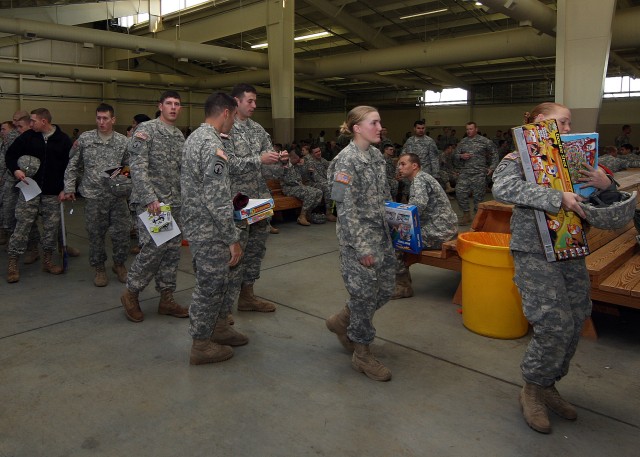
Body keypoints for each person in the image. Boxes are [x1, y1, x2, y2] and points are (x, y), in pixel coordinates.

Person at [492, 102, 614, 434]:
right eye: (564, 122)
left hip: (571, 247)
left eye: (571, 123)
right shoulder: (521, 158)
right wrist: (557, 197)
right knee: (552, 324)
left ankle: (548, 384)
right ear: (540, 122)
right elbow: (502, 188)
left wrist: (603, 186)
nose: (570, 129)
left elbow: (601, 206)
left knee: (575, 318)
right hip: (534, 250)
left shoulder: (572, 160)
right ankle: (532, 389)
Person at [325, 106, 395, 382]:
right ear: (357, 128)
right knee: (365, 296)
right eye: (374, 123)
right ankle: (362, 354)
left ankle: (341, 320)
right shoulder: (346, 161)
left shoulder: (376, 156)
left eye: (379, 122)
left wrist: (397, 221)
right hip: (358, 241)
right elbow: (345, 208)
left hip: (382, 236)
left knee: (386, 288)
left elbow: (384, 194)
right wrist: (361, 247)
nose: (380, 127)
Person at [182, 92, 248, 365]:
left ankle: (218, 329)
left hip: (200, 224)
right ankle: (200, 344)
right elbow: (216, 197)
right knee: (209, 286)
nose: (233, 122)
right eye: (233, 116)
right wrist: (232, 238)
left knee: (217, 283)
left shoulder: (194, 138)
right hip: (209, 229)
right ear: (225, 113)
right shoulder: (212, 145)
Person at [120, 90, 189, 322]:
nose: (173, 107)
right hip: (154, 204)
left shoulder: (179, 135)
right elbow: (137, 167)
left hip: (174, 202)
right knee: (153, 249)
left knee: (171, 251)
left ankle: (166, 298)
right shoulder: (146, 130)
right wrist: (150, 198)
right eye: (168, 103)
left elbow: (182, 171)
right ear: (160, 106)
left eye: (177, 104)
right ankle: (131, 292)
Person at [225, 83, 288, 316]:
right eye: (249, 101)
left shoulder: (259, 130)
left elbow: (268, 170)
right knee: (236, 251)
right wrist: (258, 159)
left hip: (259, 200)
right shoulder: (226, 129)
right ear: (236, 102)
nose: (254, 105)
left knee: (256, 250)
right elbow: (227, 164)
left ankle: (247, 295)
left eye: (255, 101)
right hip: (238, 200)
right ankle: (226, 306)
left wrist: (280, 161)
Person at [61, 103, 130, 287]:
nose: (101, 122)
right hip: (93, 196)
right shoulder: (85, 139)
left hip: (117, 196)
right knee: (95, 234)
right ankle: (99, 268)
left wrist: (112, 174)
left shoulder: (123, 141)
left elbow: (130, 168)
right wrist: (69, 188)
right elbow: (73, 164)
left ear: (113, 119)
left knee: (121, 234)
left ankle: (119, 264)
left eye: (105, 118)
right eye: (98, 118)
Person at [5, 108, 72, 283]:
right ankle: (13, 262)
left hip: (52, 193)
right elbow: (10, 155)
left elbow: (70, 167)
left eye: (33, 121)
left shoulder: (63, 140)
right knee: (22, 226)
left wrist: (66, 188)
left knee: (50, 229)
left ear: (44, 121)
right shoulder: (28, 137)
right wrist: (16, 170)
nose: (30, 123)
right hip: (30, 189)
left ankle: (47, 261)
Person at [391, 153, 458, 299]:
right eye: (398, 165)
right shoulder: (423, 177)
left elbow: (417, 206)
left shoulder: (419, 180)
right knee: (399, 235)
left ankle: (403, 287)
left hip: (440, 231)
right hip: (443, 227)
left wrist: (398, 222)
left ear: (414, 166)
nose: (399, 168)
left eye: (403, 164)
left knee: (396, 242)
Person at [454, 121, 499, 225]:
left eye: (471, 129)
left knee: (478, 197)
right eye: (467, 129)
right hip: (465, 172)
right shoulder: (463, 142)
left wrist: (492, 168)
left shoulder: (485, 141)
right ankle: (466, 214)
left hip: (479, 173)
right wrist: (461, 156)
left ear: (476, 129)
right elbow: (455, 155)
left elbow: (495, 153)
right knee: (459, 192)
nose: (469, 131)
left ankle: (478, 217)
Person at [280, 152, 322, 226]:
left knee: (319, 192)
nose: (298, 161)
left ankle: (308, 213)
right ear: (291, 158)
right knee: (310, 192)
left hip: (298, 186)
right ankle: (302, 216)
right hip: (289, 188)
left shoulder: (295, 166)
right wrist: (300, 184)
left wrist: (302, 166)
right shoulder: (285, 167)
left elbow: (303, 176)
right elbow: (289, 181)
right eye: (296, 159)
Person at [306, 144, 337, 222]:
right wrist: (328, 182)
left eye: (319, 151)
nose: (319, 153)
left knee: (337, 185)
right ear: (312, 154)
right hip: (311, 183)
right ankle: (328, 213)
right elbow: (315, 178)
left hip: (322, 182)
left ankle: (337, 211)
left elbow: (331, 168)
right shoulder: (310, 163)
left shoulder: (322, 160)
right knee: (327, 187)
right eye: (316, 152)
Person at [0, 120, 18, 245]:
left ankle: (11, 237)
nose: (1, 132)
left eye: (4, 129)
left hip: (10, 181)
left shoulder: (15, 143)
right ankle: (4, 233)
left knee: (10, 210)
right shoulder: (3, 144)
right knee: (3, 208)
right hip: (3, 181)